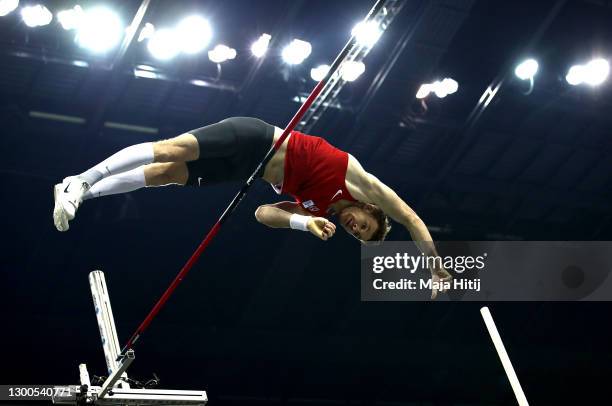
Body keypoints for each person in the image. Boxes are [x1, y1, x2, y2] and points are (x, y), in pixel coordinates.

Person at [53, 117, 451, 297]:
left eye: (355, 235)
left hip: (245, 169)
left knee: (165, 175)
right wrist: (433, 266)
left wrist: (300, 223)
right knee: (170, 150)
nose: (353, 228)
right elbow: (412, 217)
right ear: (371, 210)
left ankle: (78, 194)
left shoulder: (318, 214)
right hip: (255, 138)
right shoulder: (357, 179)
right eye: (363, 226)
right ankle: (83, 178)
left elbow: (262, 214)